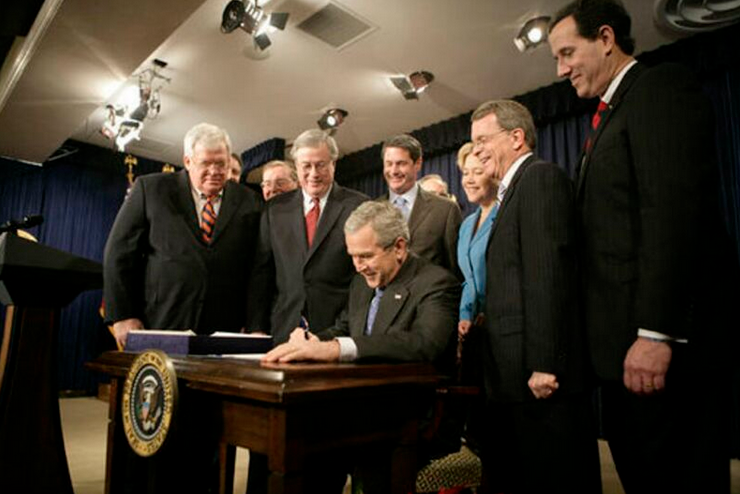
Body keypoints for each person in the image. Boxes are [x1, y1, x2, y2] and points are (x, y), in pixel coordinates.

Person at [549, 1, 731, 492]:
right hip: (622, 355)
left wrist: (656, 333)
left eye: (567, 53)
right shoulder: (609, 115)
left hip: (658, 352)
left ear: (606, 39)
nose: (561, 69)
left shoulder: (656, 89)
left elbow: (671, 215)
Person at [264, 199, 460, 494]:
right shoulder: (360, 283)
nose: (358, 266)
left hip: (408, 417)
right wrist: (312, 340)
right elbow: (345, 328)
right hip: (357, 412)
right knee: (302, 453)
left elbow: (425, 344)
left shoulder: (436, 284)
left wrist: (336, 349)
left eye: (366, 256)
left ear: (399, 247)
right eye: (353, 256)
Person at [470, 99, 601, 493]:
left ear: (516, 137)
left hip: (540, 380)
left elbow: (548, 276)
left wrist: (545, 364)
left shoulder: (539, 178)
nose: (476, 151)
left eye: (482, 140)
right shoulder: (512, 191)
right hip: (516, 380)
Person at [103, 122, 262, 348]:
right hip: (159, 321)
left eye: (221, 163)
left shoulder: (251, 201)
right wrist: (123, 315)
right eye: (206, 163)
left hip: (225, 328)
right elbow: (120, 253)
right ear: (188, 161)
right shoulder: (151, 190)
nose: (215, 171)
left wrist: (255, 325)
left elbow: (257, 269)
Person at [245, 129, 368, 344]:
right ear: (296, 167)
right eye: (306, 166)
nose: (313, 174)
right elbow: (262, 274)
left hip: (337, 331)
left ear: (333, 164)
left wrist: (347, 322)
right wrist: (257, 327)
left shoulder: (359, 206)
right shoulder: (275, 209)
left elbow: (364, 276)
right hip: (283, 329)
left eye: (321, 165)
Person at [379, 134, 462, 276]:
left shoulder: (445, 210)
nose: (393, 171)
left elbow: (455, 270)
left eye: (401, 163)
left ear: (417, 164)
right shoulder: (371, 210)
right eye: (389, 164)